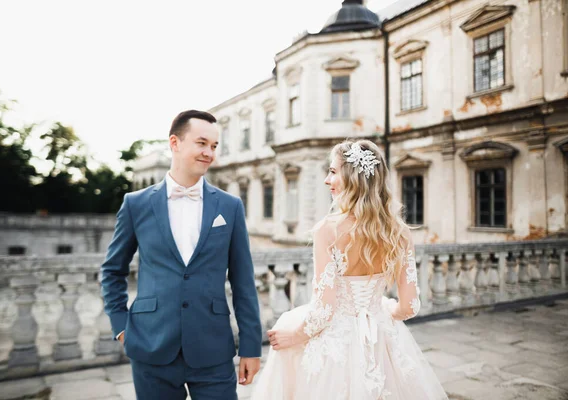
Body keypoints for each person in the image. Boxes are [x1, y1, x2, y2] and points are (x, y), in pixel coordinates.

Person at [250, 139, 448, 400]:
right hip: (381, 340)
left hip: (337, 346)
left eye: (332, 171)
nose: (326, 180)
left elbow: (324, 311)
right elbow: (410, 307)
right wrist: (386, 308)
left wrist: (294, 337)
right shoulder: (399, 232)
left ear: (352, 178)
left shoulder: (327, 230)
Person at [100, 110, 262, 400]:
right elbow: (113, 271)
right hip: (151, 346)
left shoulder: (230, 206)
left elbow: (243, 282)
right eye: (202, 143)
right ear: (175, 143)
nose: (209, 153)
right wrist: (121, 327)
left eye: (214, 146)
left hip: (212, 348)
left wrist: (251, 346)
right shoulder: (136, 204)